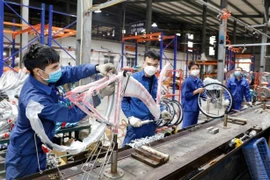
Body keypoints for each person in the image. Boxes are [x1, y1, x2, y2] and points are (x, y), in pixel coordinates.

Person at [5, 44, 116, 180]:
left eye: (58, 65)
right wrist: (99, 96)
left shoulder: (45, 79)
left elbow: (71, 72)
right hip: (24, 154)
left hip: (39, 146)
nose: (59, 70)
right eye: (55, 68)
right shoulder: (35, 100)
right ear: (38, 71)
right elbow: (71, 114)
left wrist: (96, 68)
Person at [121, 50, 171, 146]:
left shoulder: (157, 82)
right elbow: (124, 100)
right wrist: (130, 117)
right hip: (136, 125)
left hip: (151, 125)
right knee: (127, 153)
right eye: (149, 64)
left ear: (157, 66)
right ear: (143, 63)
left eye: (154, 65)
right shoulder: (133, 79)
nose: (151, 67)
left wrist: (163, 110)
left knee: (147, 152)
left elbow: (157, 101)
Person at [181, 61, 205, 128]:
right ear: (189, 71)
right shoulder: (187, 81)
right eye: (193, 69)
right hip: (189, 108)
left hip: (197, 107)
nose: (195, 70)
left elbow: (202, 91)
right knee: (186, 128)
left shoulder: (199, 80)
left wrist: (206, 97)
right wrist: (197, 91)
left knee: (193, 127)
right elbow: (186, 95)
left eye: (197, 68)